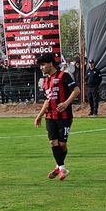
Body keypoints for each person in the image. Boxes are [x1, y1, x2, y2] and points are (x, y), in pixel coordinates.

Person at [34, 53, 80, 181]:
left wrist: (66, 103)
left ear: (50, 64)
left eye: (43, 65)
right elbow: (47, 100)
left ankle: (58, 166)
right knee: (53, 142)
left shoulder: (63, 76)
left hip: (64, 117)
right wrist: (39, 116)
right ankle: (62, 168)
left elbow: (77, 90)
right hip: (50, 116)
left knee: (62, 144)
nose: (41, 68)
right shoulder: (46, 81)